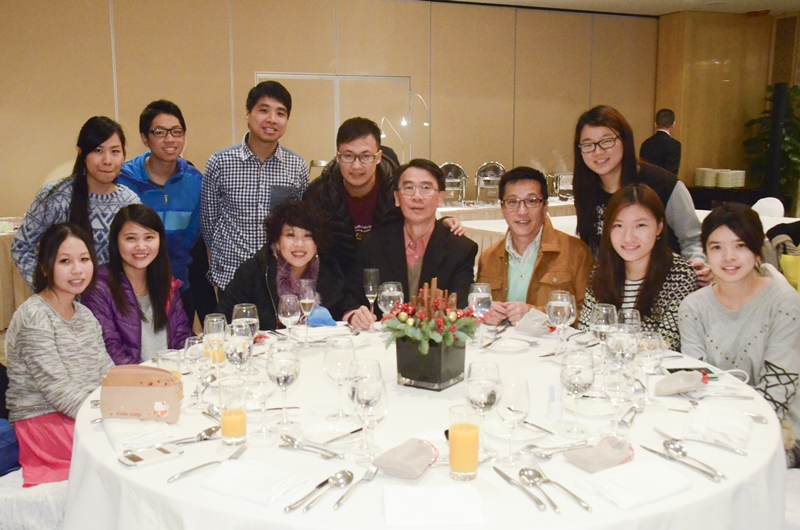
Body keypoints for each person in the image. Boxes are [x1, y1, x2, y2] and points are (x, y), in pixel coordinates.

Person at [679, 203, 800, 467]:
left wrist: (731, 430)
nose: (728, 257)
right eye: (717, 247)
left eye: (740, 246)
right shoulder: (693, 307)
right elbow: (696, 381)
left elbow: (778, 389)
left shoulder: (784, 302)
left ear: (757, 250)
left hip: (783, 430)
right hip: (714, 425)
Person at [5, 223, 114, 486]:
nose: (78, 270)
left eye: (84, 259)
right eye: (65, 261)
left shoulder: (85, 315)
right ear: (45, 267)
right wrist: (105, 416)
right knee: (115, 454)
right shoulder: (35, 316)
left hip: (83, 413)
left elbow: (107, 372)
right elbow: (56, 390)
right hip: (43, 421)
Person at [303, 117, 464, 278]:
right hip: (337, 280)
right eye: (348, 156)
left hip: (388, 280)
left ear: (378, 157)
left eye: (366, 156)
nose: (356, 166)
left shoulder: (398, 188)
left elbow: (417, 218)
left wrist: (441, 224)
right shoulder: (318, 194)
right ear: (338, 157)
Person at [572, 105, 710, 286]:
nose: (598, 152)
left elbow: (692, 238)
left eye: (607, 141)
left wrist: (698, 263)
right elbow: (592, 246)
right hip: (614, 290)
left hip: (667, 287)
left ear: (625, 140)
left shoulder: (664, 184)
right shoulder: (585, 188)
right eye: (588, 145)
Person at [201, 81, 309, 293]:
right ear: (247, 114)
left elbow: (299, 224)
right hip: (231, 275)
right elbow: (208, 224)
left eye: (280, 113)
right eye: (263, 110)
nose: (272, 119)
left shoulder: (297, 166)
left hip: (278, 276)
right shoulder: (220, 162)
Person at [347, 159, 478, 329]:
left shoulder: (460, 249)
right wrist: (354, 314)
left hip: (436, 339)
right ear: (397, 198)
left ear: (440, 198)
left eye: (426, 188)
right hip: (382, 338)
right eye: (409, 188)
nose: (417, 196)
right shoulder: (373, 244)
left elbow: (460, 306)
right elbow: (352, 296)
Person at [12, 116, 140, 290]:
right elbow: (21, 247)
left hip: (113, 302)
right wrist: (49, 290)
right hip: (65, 302)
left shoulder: (130, 201)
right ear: (82, 153)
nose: (107, 160)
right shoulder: (56, 196)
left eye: (115, 151)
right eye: (98, 150)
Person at [577, 184, 696, 350]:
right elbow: (586, 332)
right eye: (618, 226)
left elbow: (667, 343)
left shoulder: (680, 274)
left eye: (640, 226)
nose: (628, 237)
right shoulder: (601, 270)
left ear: (659, 227)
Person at [116, 100, 203, 323]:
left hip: (178, 286)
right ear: (145, 138)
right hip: (131, 290)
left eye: (176, 132)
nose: (170, 139)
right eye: (160, 132)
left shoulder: (195, 180)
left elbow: (191, 236)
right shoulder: (123, 180)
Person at [477, 166, 594, 325]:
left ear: (545, 207)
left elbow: (590, 315)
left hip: (554, 341)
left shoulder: (576, 253)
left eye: (531, 201)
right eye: (512, 202)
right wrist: (484, 314)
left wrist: (536, 315)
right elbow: (475, 311)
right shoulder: (488, 258)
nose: (522, 211)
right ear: (502, 208)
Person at [81, 205, 191, 365]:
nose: (141, 246)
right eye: (131, 238)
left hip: (171, 372)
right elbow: (110, 350)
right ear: (116, 241)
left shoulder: (167, 283)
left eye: (149, 237)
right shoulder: (99, 288)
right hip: (131, 377)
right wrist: (147, 376)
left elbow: (182, 337)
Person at [217, 201, 347, 329]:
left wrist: (351, 314)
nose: (299, 244)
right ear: (277, 242)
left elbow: (343, 312)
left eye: (308, 236)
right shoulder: (255, 271)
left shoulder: (330, 270)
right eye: (290, 235)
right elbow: (225, 319)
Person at [639, 108, 682, 175]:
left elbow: (642, 170)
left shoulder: (646, 143)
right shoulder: (674, 145)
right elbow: (672, 173)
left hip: (647, 181)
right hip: (665, 181)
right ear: (673, 125)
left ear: (655, 125)